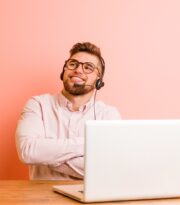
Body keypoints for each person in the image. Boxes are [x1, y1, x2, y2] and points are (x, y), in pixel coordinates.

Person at [15, 42, 121, 180]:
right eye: (73, 64)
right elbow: (28, 151)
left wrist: (47, 156)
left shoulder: (108, 115)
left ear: (98, 80)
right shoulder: (38, 105)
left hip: (88, 200)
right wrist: (87, 143)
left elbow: (107, 169)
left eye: (88, 67)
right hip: (41, 199)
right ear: (63, 70)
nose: (78, 70)